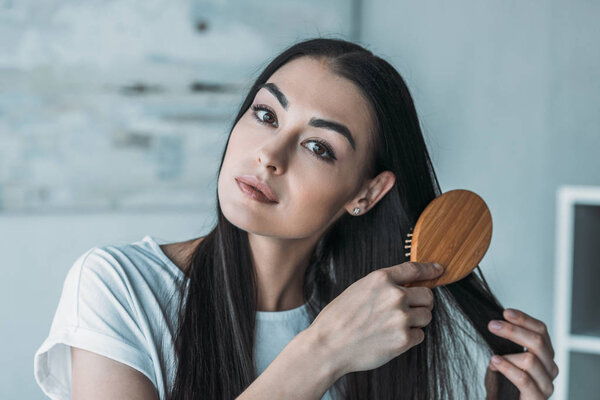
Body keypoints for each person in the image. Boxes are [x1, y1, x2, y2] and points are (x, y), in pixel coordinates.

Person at [34, 37, 558, 399]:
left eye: (317, 146)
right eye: (266, 115)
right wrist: (322, 352)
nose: (270, 154)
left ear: (367, 194)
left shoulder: (376, 328)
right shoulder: (118, 287)